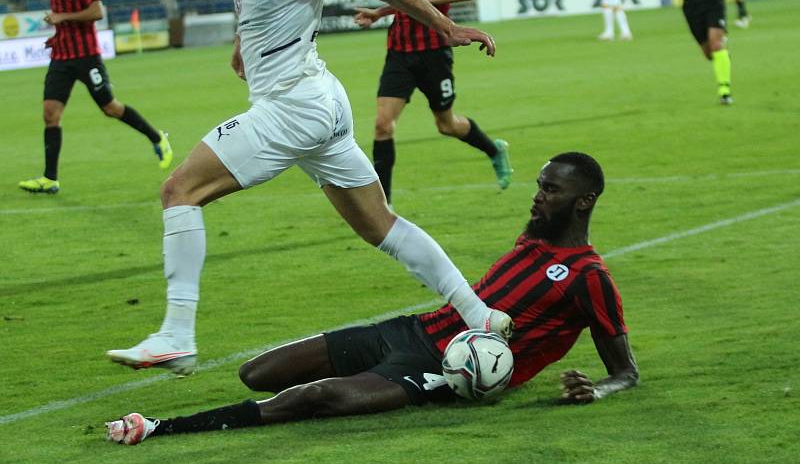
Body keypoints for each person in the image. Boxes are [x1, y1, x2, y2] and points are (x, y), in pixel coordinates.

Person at [106, 0, 511, 376]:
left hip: (293, 107)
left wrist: (446, 27)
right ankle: (481, 314)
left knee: (179, 192)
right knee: (380, 226)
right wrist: (244, 43)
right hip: (320, 103)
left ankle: (177, 336)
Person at [105, 151, 639, 446]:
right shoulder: (533, 239)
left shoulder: (589, 276)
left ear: (584, 200)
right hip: (412, 331)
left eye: (551, 190)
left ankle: (158, 428)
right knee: (257, 373)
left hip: (443, 372)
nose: (538, 195)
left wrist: (599, 390)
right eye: (540, 184)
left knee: (316, 398)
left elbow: (626, 371)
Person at [352, 0, 512, 205]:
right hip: (399, 50)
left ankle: (495, 149)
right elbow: (403, 0)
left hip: (433, 51)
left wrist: (421, 0)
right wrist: (380, 12)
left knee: (446, 124)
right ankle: (383, 204)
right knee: (383, 124)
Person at [18, 0, 172, 195]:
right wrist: (56, 37)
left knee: (110, 108)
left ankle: (157, 137)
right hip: (61, 58)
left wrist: (62, 18)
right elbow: (62, 20)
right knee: (50, 114)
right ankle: (50, 178)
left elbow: (97, 11)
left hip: (86, 56)